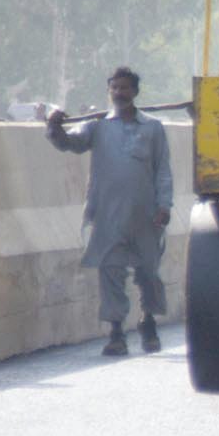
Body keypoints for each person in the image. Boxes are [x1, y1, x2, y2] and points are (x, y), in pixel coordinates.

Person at [45, 67, 173, 356]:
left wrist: (164, 205)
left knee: (148, 273)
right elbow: (69, 143)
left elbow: (163, 170)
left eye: (125, 88)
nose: (119, 93)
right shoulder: (97, 126)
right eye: (114, 88)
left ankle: (148, 320)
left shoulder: (153, 128)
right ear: (109, 91)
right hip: (107, 214)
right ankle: (116, 332)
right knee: (110, 272)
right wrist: (54, 127)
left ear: (135, 92)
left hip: (146, 214)